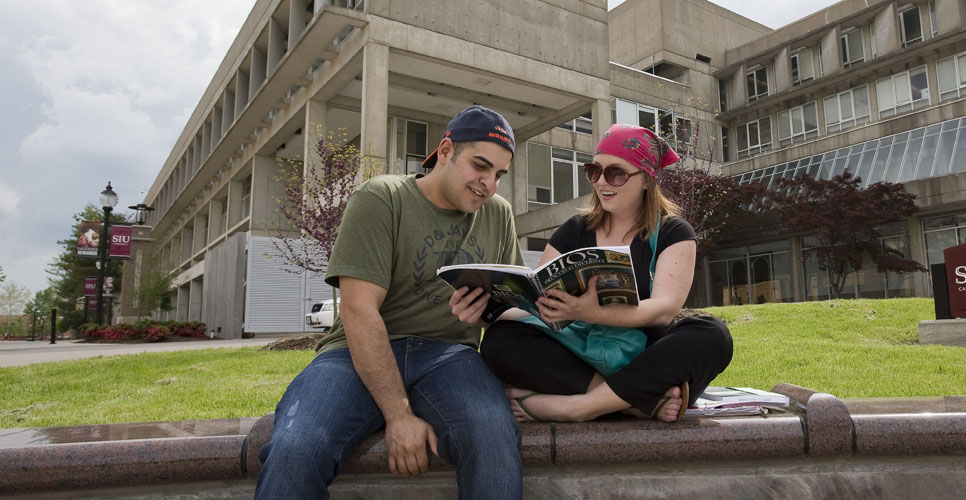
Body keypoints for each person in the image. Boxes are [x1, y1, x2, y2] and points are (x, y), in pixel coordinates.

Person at [256, 105, 525, 500]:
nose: (489, 184)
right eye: (480, 167)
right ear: (446, 151)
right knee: (296, 447)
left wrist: (491, 311)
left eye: (499, 174)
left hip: (450, 356)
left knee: (493, 438)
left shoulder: (498, 214)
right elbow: (358, 309)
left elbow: (507, 301)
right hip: (353, 353)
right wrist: (398, 416)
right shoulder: (382, 197)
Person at [459, 124, 733, 423]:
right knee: (500, 341)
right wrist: (491, 307)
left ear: (646, 180)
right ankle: (634, 402)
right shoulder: (574, 230)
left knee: (712, 335)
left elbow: (664, 310)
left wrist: (591, 312)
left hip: (646, 355)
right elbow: (538, 296)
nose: (602, 182)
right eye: (594, 171)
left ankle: (579, 407)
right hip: (583, 354)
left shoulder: (674, 232)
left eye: (616, 172)